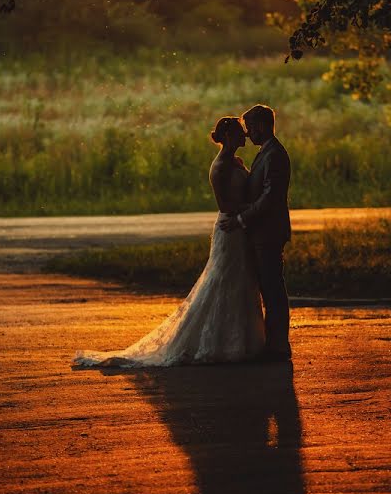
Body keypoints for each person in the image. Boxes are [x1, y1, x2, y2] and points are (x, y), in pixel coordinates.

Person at [72, 116, 265, 367]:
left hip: (240, 227)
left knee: (240, 280)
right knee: (225, 280)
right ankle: (222, 343)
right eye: (241, 132)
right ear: (229, 137)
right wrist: (256, 208)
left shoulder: (235, 162)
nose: (246, 135)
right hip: (230, 228)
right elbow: (225, 205)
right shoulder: (219, 168)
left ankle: (241, 340)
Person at [219, 104, 292, 361]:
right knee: (268, 287)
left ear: (261, 126)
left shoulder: (274, 155)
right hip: (262, 231)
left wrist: (241, 218)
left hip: (269, 231)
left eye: (250, 128)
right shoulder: (266, 152)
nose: (248, 134)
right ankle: (274, 343)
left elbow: (270, 197)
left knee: (272, 288)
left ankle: (279, 346)